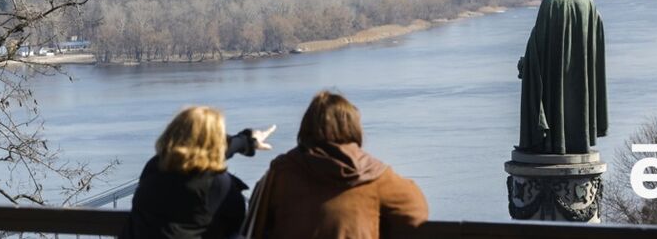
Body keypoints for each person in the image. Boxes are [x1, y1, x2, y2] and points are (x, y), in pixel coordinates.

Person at [245, 91, 428, 238]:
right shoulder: (375, 176)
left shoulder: (281, 173)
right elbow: (416, 213)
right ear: (354, 129)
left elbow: (255, 221)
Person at [121, 106, 276, 239]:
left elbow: (192, 155)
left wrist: (245, 141)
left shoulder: (155, 167)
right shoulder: (218, 183)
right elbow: (237, 221)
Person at [518, 0, 607, 154]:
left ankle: (554, 142)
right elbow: (597, 34)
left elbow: (538, 41)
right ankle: (579, 141)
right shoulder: (588, 2)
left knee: (555, 100)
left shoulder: (550, 3)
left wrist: (528, 63)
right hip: (582, 70)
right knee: (579, 100)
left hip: (555, 71)